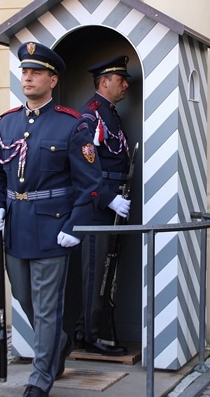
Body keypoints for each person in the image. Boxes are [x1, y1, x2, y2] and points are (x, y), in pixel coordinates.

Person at [0, 41, 102, 397]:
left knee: (48, 306)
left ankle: (39, 379)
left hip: (53, 225)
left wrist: (73, 225)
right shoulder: (6, 123)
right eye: (25, 72)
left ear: (52, 80)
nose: (28, 77)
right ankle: (59, 343)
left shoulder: (72, 124)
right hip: (16, 225)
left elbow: (91, 183)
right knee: (24, 297)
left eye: (36, 72)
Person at [73, 55, 132, 356]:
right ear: (104, 82)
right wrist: (109, 197)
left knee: (107, 270)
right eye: (120, 79)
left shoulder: (110, 113)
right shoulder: (91, 115)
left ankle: (88, 329)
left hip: (112, 200)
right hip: (98, 204)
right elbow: (87, 167)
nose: (125, 84)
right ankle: (91, 334)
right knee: (97, 271)